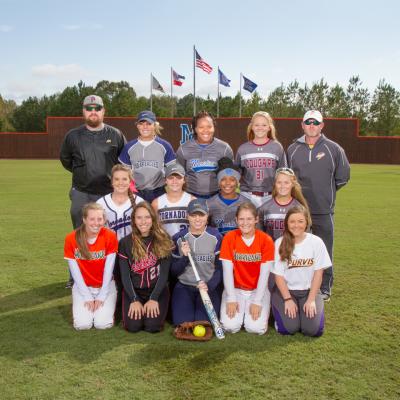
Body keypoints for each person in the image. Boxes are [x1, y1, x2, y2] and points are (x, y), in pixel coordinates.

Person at [60, 95, 126, 288]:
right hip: (82, 191)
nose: (93, 112)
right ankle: (75, 276)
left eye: (97, 108)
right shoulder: (73, 136)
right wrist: (82, 173)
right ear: (83, 111)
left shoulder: (115, 134)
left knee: (108, 234)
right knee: (80, 234)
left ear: (104, 111)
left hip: (107, 194)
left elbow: (123, 163)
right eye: (89, 108)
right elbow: (65, 160)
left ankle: (109, 274)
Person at [287, 110, 350, 301]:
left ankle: (324, 288)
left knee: (324, 250)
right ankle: (296, 285)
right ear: (302, 125)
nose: (312, 126)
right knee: (297, 250)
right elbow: (287, 179)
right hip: (298, 211)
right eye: (308, 122)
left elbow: (342, 178)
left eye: (316, 122)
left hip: (323, 211)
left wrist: (325, 194)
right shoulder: (292, 149)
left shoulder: (334, 149)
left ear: (322, 125)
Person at [271, 206, 331, 337]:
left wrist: (311, 300)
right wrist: (287, 299)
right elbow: (279, 276)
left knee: (313, 330)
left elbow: (318, 273)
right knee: (289, 329)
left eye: (300, 221)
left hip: (309, 291)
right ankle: (280, 315)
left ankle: (306, 313)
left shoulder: (316, 242)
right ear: (287, 223)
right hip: (286, 292)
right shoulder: (280, 242)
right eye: (292, 221)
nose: (296, 225)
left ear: (307, 222)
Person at [219, 202, 275, 334]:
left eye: (249, 219)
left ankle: (249, 313)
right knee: (229, 327)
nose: (245, 223)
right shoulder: (229, 238)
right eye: (241, 219)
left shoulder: (266, 240)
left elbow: (264, 274)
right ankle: (241, 312)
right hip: (235, 289)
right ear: (236, 220)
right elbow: (227, 271)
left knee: (255, 329)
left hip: (257, 290)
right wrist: (231, 298)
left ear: (256, 219)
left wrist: (257, 301)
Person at [118, 202, 173, 333]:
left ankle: (157, 307)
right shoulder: (125, 243)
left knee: (152, 327)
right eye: (139, 217)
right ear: (133, 220)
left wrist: (154, 298)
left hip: (157, 290)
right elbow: (125, 276)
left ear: (153, 219)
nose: (143, 221)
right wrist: (134, 299)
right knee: (133, 327)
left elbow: (164, 275)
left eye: (147, 217)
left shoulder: (163, 239)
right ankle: (138, 305)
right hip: (134, 291)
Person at [63, 203, 118, 330]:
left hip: (105, 286)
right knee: (83, 325)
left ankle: (104, 312)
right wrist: (87, 296)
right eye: (92, 219)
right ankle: (87, 311)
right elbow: (75, 271)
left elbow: (109, 269)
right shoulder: (71, 238)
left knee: (102, 324)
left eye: (100, 219)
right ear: (84, 220)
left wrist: (102, 295)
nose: (96, 223)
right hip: (83, 287)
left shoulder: (110, 236)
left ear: (104, 220)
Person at [171, 198, 223, 325]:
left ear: (207, 216)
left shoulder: (216, 237)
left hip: (207, 288)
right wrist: (183, 257)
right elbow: (173, 271)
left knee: (203, 323)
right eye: (194, 215)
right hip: (184, 286)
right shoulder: (178, 238)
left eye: (201, 215)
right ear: (187, 216)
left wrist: (209, 285)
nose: (198, 219)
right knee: (182, 323)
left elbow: (220, 269)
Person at [118, 110, 176, 203]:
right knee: (138, 217)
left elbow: (173, 170)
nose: (145, 127)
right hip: (136, 192)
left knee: (157, 217)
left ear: (155, 125)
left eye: (149, 123)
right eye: (141, 123)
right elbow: (124, 173)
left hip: (159, 191)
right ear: (137, 125)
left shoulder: (165, 145)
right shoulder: (129, 147)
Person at [176, 111, 234, 199]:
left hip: (217, 195)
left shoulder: (224, 148)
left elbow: (230, 174)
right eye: (201, 127)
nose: (206, 130)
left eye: (209, 126)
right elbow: (179, 174)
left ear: (214, 127)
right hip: (191, 195)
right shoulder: (183, 149)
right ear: (195, 129)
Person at [236, 111, 287, 207]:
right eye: (257, 125)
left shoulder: (277, 147)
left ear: (269, 127)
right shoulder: (243, 149)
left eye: (264, 125)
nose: (260, 128)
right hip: (247, 196)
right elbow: (236, 175)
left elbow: (283, 173)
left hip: (270, 196)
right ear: (251, 127)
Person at [258, 167, 308, 241]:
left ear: (293, 184)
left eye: (286, 183)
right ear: (275, 184)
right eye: (279, 182)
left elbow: (305, 236)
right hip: (271, 250)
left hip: (293, 250)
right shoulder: (264, 208)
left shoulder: (299, 207)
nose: (282, 186)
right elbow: (259, 235)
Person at [96, 164, 144, 241]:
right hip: (109, 249)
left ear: (130, 181)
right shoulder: (101, 204)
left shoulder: (139, 202)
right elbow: (94, 231)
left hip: (134, 249)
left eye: (124, 179)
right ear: (112, 181)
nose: (120, 183)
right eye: (117, 179)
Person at [151, 162, 195, 237]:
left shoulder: (192, 201)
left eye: (178, 178)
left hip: (187, 244)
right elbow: (155, 228)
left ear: (184, 180)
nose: (174, 181)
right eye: (171, 178)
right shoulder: (156, 203)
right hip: (166, 244)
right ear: (165, 180)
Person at [207, 158, 248, 235]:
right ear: (219, 183)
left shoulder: (246, 203)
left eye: (232, 180)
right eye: (223, 179)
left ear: (237, 183)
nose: (227, 183)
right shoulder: (209, 204)